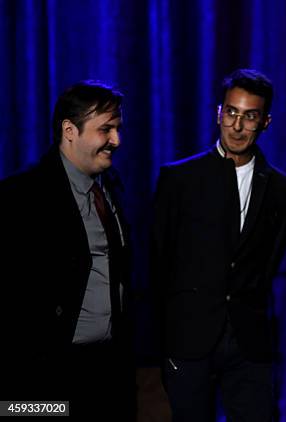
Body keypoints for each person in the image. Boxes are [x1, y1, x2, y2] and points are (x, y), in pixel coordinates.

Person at [151, 69, 286, 422]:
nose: (238, 125)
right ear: (218, 113)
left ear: (266, 122)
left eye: (250, 116)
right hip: (189, 340)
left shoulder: (281, 188)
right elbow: (158, 260)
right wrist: (166, 337)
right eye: (231, 112)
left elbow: (270, 261)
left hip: (249, 341)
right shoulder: (179, 179)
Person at [0, 80, 135, 419]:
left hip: (108, 370)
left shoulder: (112, 186)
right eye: (106, 129)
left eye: (118, 128)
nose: (116, 140)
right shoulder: (22, 197)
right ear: (70, 130)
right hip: (46, 377)